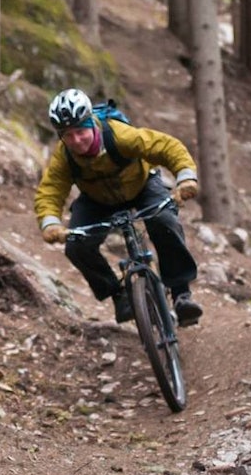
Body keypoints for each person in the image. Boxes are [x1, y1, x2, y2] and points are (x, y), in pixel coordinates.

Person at [34, 88, 204, 326]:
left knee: (164, 221)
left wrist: (185, 177)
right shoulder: (65, 156)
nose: (76, 141)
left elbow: (166, 147)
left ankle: (181, 294)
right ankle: (120, 296)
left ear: (92, 124)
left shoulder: (118, 135)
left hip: (142, 186)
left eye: (80, 131)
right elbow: (51, 190)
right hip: (98, 200)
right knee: (76, 247)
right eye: (68, 136)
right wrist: (50, 223)